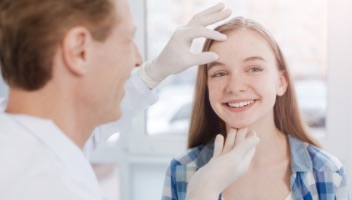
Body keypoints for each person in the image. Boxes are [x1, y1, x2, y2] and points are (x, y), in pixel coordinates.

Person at [0, 1, 259, 199]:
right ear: (79, 51)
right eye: (127, 40)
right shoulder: (46, 186)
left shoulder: (17, 134)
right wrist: (204, 191)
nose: (137, 59)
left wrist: (157, 70)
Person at [162, 17, 349, 200]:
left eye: (254, 69)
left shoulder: (327, 172)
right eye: (220, 73)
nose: (235, 86)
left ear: (281, 82)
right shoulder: (182, 170)